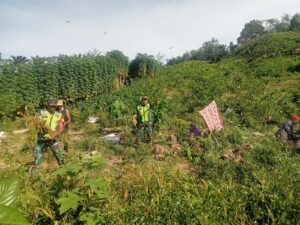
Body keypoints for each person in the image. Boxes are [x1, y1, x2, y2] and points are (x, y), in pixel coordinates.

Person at [32, 100, 65, 168]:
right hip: (42, 138)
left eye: (54, 106)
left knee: (58, 154)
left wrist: (54, 134)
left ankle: (63, 169)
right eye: (51, 106)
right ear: (47, 106)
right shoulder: (41, 113)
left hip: (53, 138)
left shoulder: (59, 114)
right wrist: (43, 127)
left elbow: (61, 127)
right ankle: (35, 171)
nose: (53, 107)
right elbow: (37, 123)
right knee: (38, 154)